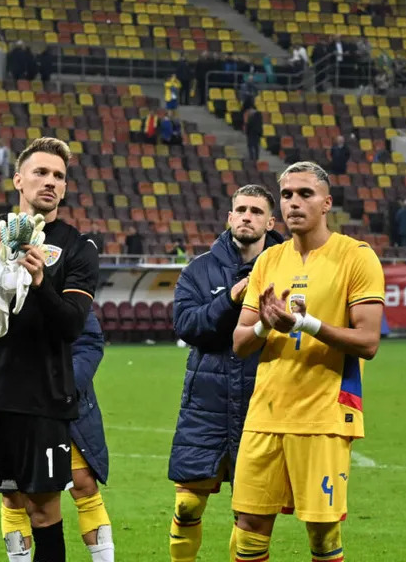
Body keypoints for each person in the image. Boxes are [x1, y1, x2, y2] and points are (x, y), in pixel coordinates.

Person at [0, 137, 100, 562]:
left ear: (65, 189)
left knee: (44, 514)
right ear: (18, 179)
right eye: (41, 172)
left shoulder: (78, 248)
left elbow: (70, 325)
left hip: (44, 405)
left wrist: (42, 283)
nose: (50, 182)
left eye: (59, 177)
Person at [230, 161, 384, 562]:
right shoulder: (269, 260)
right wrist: (266, 325)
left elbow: (368, 341)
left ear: (326, 203)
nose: (293, 203)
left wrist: (305, 323)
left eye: (305, 194)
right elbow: (240, 342)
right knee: (247, 527)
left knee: (321, 533)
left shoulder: (356, 257)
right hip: (265, 413)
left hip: (323, 415)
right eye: (286, 195)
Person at [168, 185, 282, 562]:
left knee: (248, 514)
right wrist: (229, 299)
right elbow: (186, 326)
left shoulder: (288, 268)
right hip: (206, 405)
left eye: (255, 211)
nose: (247, 216)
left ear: (270, 221)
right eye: (240, 210)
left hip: (262, 403)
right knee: (186, 506)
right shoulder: (199, 270)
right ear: (230, 217)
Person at [0, 309, 113, 562]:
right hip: (3, 411)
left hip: (62, 410)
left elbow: (88, 344)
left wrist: (61, 390)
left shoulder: (63, 284)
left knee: (84, 485)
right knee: (13, 495)